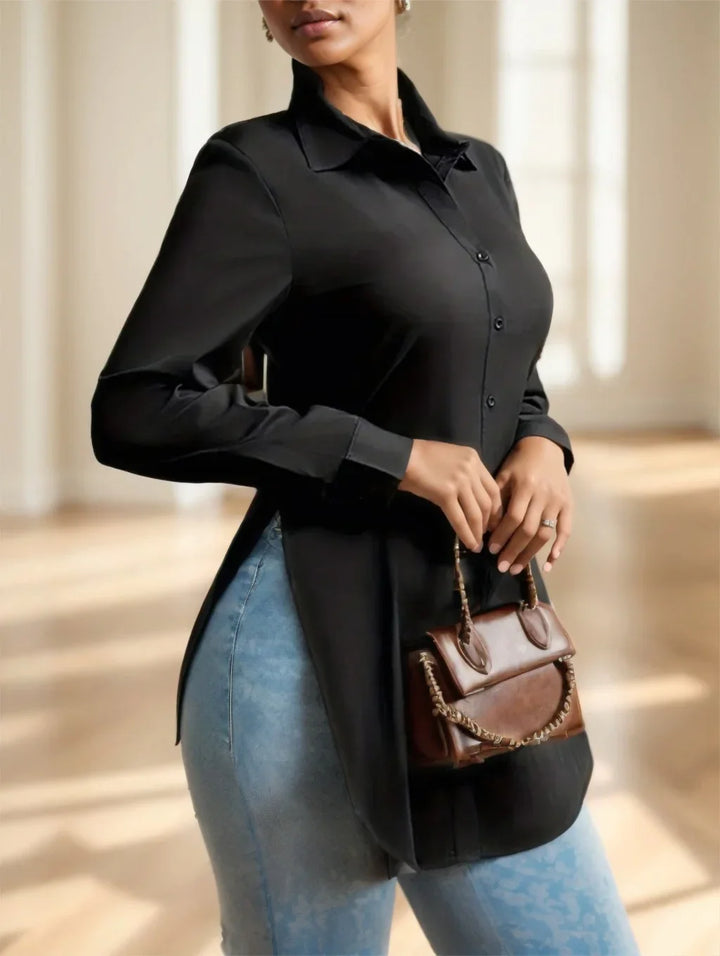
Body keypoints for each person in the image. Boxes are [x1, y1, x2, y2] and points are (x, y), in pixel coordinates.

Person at [90, 1, 642, 953]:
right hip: (299, 656)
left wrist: (544, 442)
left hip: (484, 645)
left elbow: (504, 362)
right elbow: (137, 406)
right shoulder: (254, 172)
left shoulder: (481, 173)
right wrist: (389, 457)